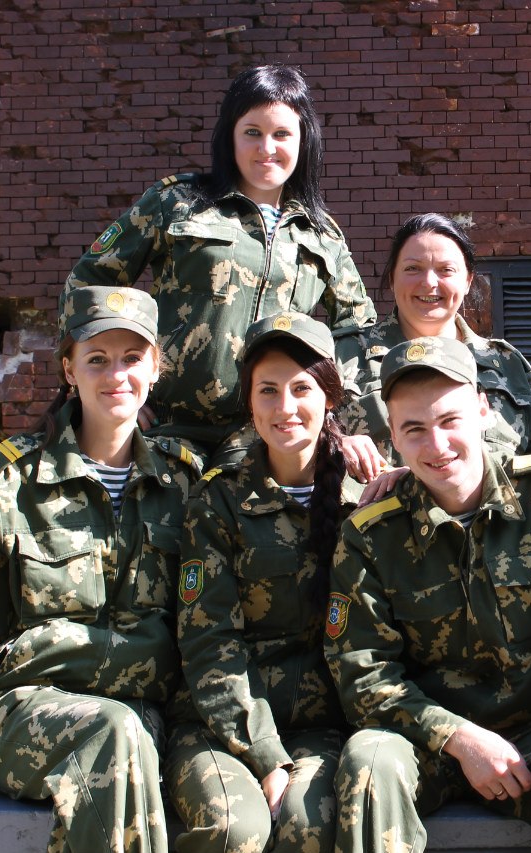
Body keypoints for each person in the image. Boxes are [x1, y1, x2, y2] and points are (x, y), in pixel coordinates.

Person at [0, 286, 199, 853]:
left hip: (140, 710)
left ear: (155, 369)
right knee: (114, 733)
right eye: (97, 359)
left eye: (132, 358)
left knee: (124, 732)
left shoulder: (183, 483)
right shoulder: (10, 479)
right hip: (23, 709)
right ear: (69, 369)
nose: (116, 375)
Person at [324, 336, 531, 853]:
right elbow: (362, 671)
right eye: (414, 430)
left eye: (450, 420)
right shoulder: (371, 534)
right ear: (393, 438)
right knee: (368, 764)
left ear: (482, 409)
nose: (437, 445)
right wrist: (459, 739)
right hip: (420, 739)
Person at [62, 64, 376, 459]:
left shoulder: (321, 234)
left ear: (303, 140)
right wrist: (121, 389)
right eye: (252, 133)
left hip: (265, 437)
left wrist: (336, 414)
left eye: (282, 134)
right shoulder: (178, 203)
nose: (266, 148)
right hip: (166, 427)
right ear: (230, 137)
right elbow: (88, 281)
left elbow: (356, 328)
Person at [168, 312, 361, 853]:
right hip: (219, 727)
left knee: (309, 824)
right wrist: (266, 755)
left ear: (329, 397)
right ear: (249, 403)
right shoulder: (218, 501)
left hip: (323, 728)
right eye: (267, 390)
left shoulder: (366, 496)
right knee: (235, 829)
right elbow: (209, 641)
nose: (284, 407)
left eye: (301, 388)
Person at [336, 212, 531, 485]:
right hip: (381, 511)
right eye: (413, 268)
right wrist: (337, 444)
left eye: (446, 270)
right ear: (392, 278)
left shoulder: (506, 363)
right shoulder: (346, 356)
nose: (429, 282)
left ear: (467, 281)